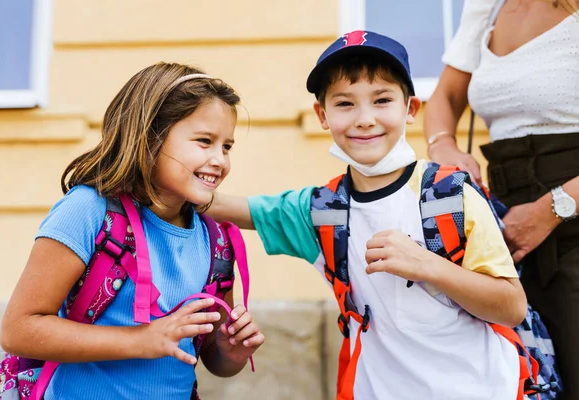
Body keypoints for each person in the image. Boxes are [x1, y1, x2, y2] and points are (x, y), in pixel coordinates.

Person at [208, 31, 527, 400]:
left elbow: (511, 306)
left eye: (382, 100)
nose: (364, 119)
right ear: (322, 115)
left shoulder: (451, 194)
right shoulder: (321, 209)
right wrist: (149, 177)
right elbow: (223, 206)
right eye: (345, 103)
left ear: (410, 109)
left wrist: (427, 265)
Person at [0, 62, 264, 399]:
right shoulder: (88, 211)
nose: (220, 160)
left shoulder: (217, 242)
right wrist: (141, 340)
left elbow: (210, 357)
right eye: (204, 141)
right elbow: (19, 329)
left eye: (226, 146)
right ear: (149, 136)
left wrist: (229, 351)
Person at [424, 1, 579, 397]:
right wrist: (444, 147)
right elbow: (444, 99)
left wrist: (552, 209)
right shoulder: (486, 7)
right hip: (507, 233)